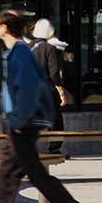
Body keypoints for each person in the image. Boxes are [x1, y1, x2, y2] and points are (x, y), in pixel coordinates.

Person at [0, 9, 95, 203]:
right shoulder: (17, 52)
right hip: (20, 122)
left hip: (22, 124)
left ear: (5, 27)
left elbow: (28, 90)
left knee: (30, 176)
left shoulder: (20, 53)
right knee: (10, 174)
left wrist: (19, 120)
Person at [29, 17, 70, 161]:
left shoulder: (27, 48)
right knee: (55, 120)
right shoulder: (49, 48)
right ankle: (55, 148)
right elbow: (54, 73)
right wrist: (61, 91)